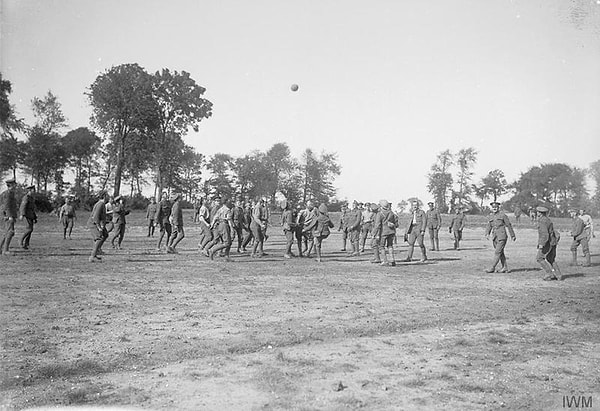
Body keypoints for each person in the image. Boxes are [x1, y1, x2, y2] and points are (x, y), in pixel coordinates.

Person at [484, 201, 516, 273]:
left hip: (502, 236)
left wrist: (512, 235)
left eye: (496, 207)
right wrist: (487, 233)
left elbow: (508, 225)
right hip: (494, 236)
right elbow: (489, 225)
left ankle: (492, 267)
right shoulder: (490, 216)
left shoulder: (503, 215)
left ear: (498, 207)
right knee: (500, 252)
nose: (494, 208)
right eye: (493, 207)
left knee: (497, 252)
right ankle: (505, 267)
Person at [535, 206, 562, 281]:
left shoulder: (542, 221)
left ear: (540, 213)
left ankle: (549, 273)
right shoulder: (547, 220)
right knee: (550, 259)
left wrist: (541, 244)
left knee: (539, 258)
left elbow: (544, 234)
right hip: (552, 242)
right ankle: (558, 275)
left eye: (538, 212)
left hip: (547, 243)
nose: (537, 213)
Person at [373, 199, 398, 266]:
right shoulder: (391, 212)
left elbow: (377, 225)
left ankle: (385, 261)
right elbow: (395, 222)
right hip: (391, 231)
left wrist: (374, 234)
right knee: (390, 245)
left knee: (382, 246)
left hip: (383, 232)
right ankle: (392, 259)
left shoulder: (380, 213)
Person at [87, 190, 109, 262]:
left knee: (105, 234)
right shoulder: (100, 204)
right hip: (94, 223)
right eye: (107, 195)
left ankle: (97, 250)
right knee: (99, 238)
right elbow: (96, 216)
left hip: (98, 223)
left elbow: (102, 216)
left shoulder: (102, 204)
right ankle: (92, 256)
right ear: (104, 196)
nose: (108, 197)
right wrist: (99, 227)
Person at [0, 178, 18, 256]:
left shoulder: (10, 193)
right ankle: (5, 250)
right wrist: (10, 216)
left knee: (7, 232)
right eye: (14, 185)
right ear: (10, 185)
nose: (15, 186)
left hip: (8, 215)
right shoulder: (7, 194)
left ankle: (1, 248)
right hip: (8, 215)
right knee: (10, 232)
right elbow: (7, 206)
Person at [19, 184, 37, 250]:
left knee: (30, 230)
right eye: (33, 190)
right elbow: (23, 206)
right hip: (26, 215)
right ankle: (20, 241)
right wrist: (22, 215)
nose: (34, 191)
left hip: (31, 215)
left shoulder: (31, 198)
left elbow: (32, 208)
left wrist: (35, 217)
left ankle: (26, 244)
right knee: (29, 229)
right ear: (29, 190)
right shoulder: (26, 197)